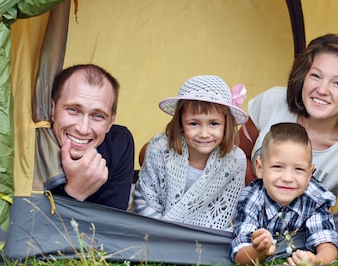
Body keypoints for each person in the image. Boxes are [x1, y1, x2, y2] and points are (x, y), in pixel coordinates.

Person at [240, 33, 338, 194]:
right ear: (304, 77)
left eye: (337, 83)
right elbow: (235, 155)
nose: (322, 90)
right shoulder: (273, 102)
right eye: (315, 76)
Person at [132, 75, 248, 230]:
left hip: (201, 238)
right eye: (194, 123)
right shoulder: (159, 147)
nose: (204, 133)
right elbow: (144, 197)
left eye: (213, 124)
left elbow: (229, 211)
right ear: (180, 123)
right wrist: (161, 233)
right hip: (152, 228)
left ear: (226, 125)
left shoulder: (235, 161)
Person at [231, 122, 338, 266]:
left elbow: (327, 245)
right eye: (277, 167)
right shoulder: (251, 198)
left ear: (309, 174)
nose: (287, 178)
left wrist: (316, 261)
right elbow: (240, 257)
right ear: (260, 168)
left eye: (299, 169)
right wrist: (259, 251)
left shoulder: (314, 198)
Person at [49, 64, 135, 210]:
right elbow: (27, 225)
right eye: (73, 110)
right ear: (53, 109)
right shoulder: (31, 144)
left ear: (110, 122)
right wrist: (74, 192)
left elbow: (110, 225)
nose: (83, 129)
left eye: (97, 116)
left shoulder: (119, 143)